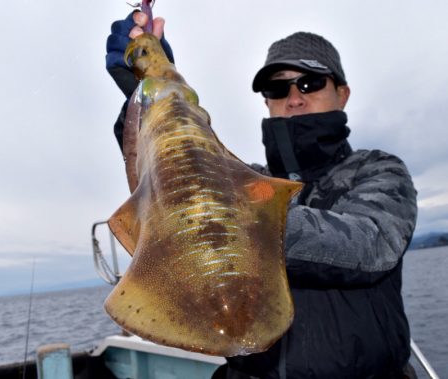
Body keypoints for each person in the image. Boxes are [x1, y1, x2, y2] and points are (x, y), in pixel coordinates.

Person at [106, 10, 418, 379]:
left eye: (310, 83)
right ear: (266, 100)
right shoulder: (250, 178)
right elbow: (163, 191)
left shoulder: (379, 171)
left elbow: (370, 243)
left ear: (342, 93)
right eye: (277, 87)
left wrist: (242, 216)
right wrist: (146, 101)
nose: (294, 97)